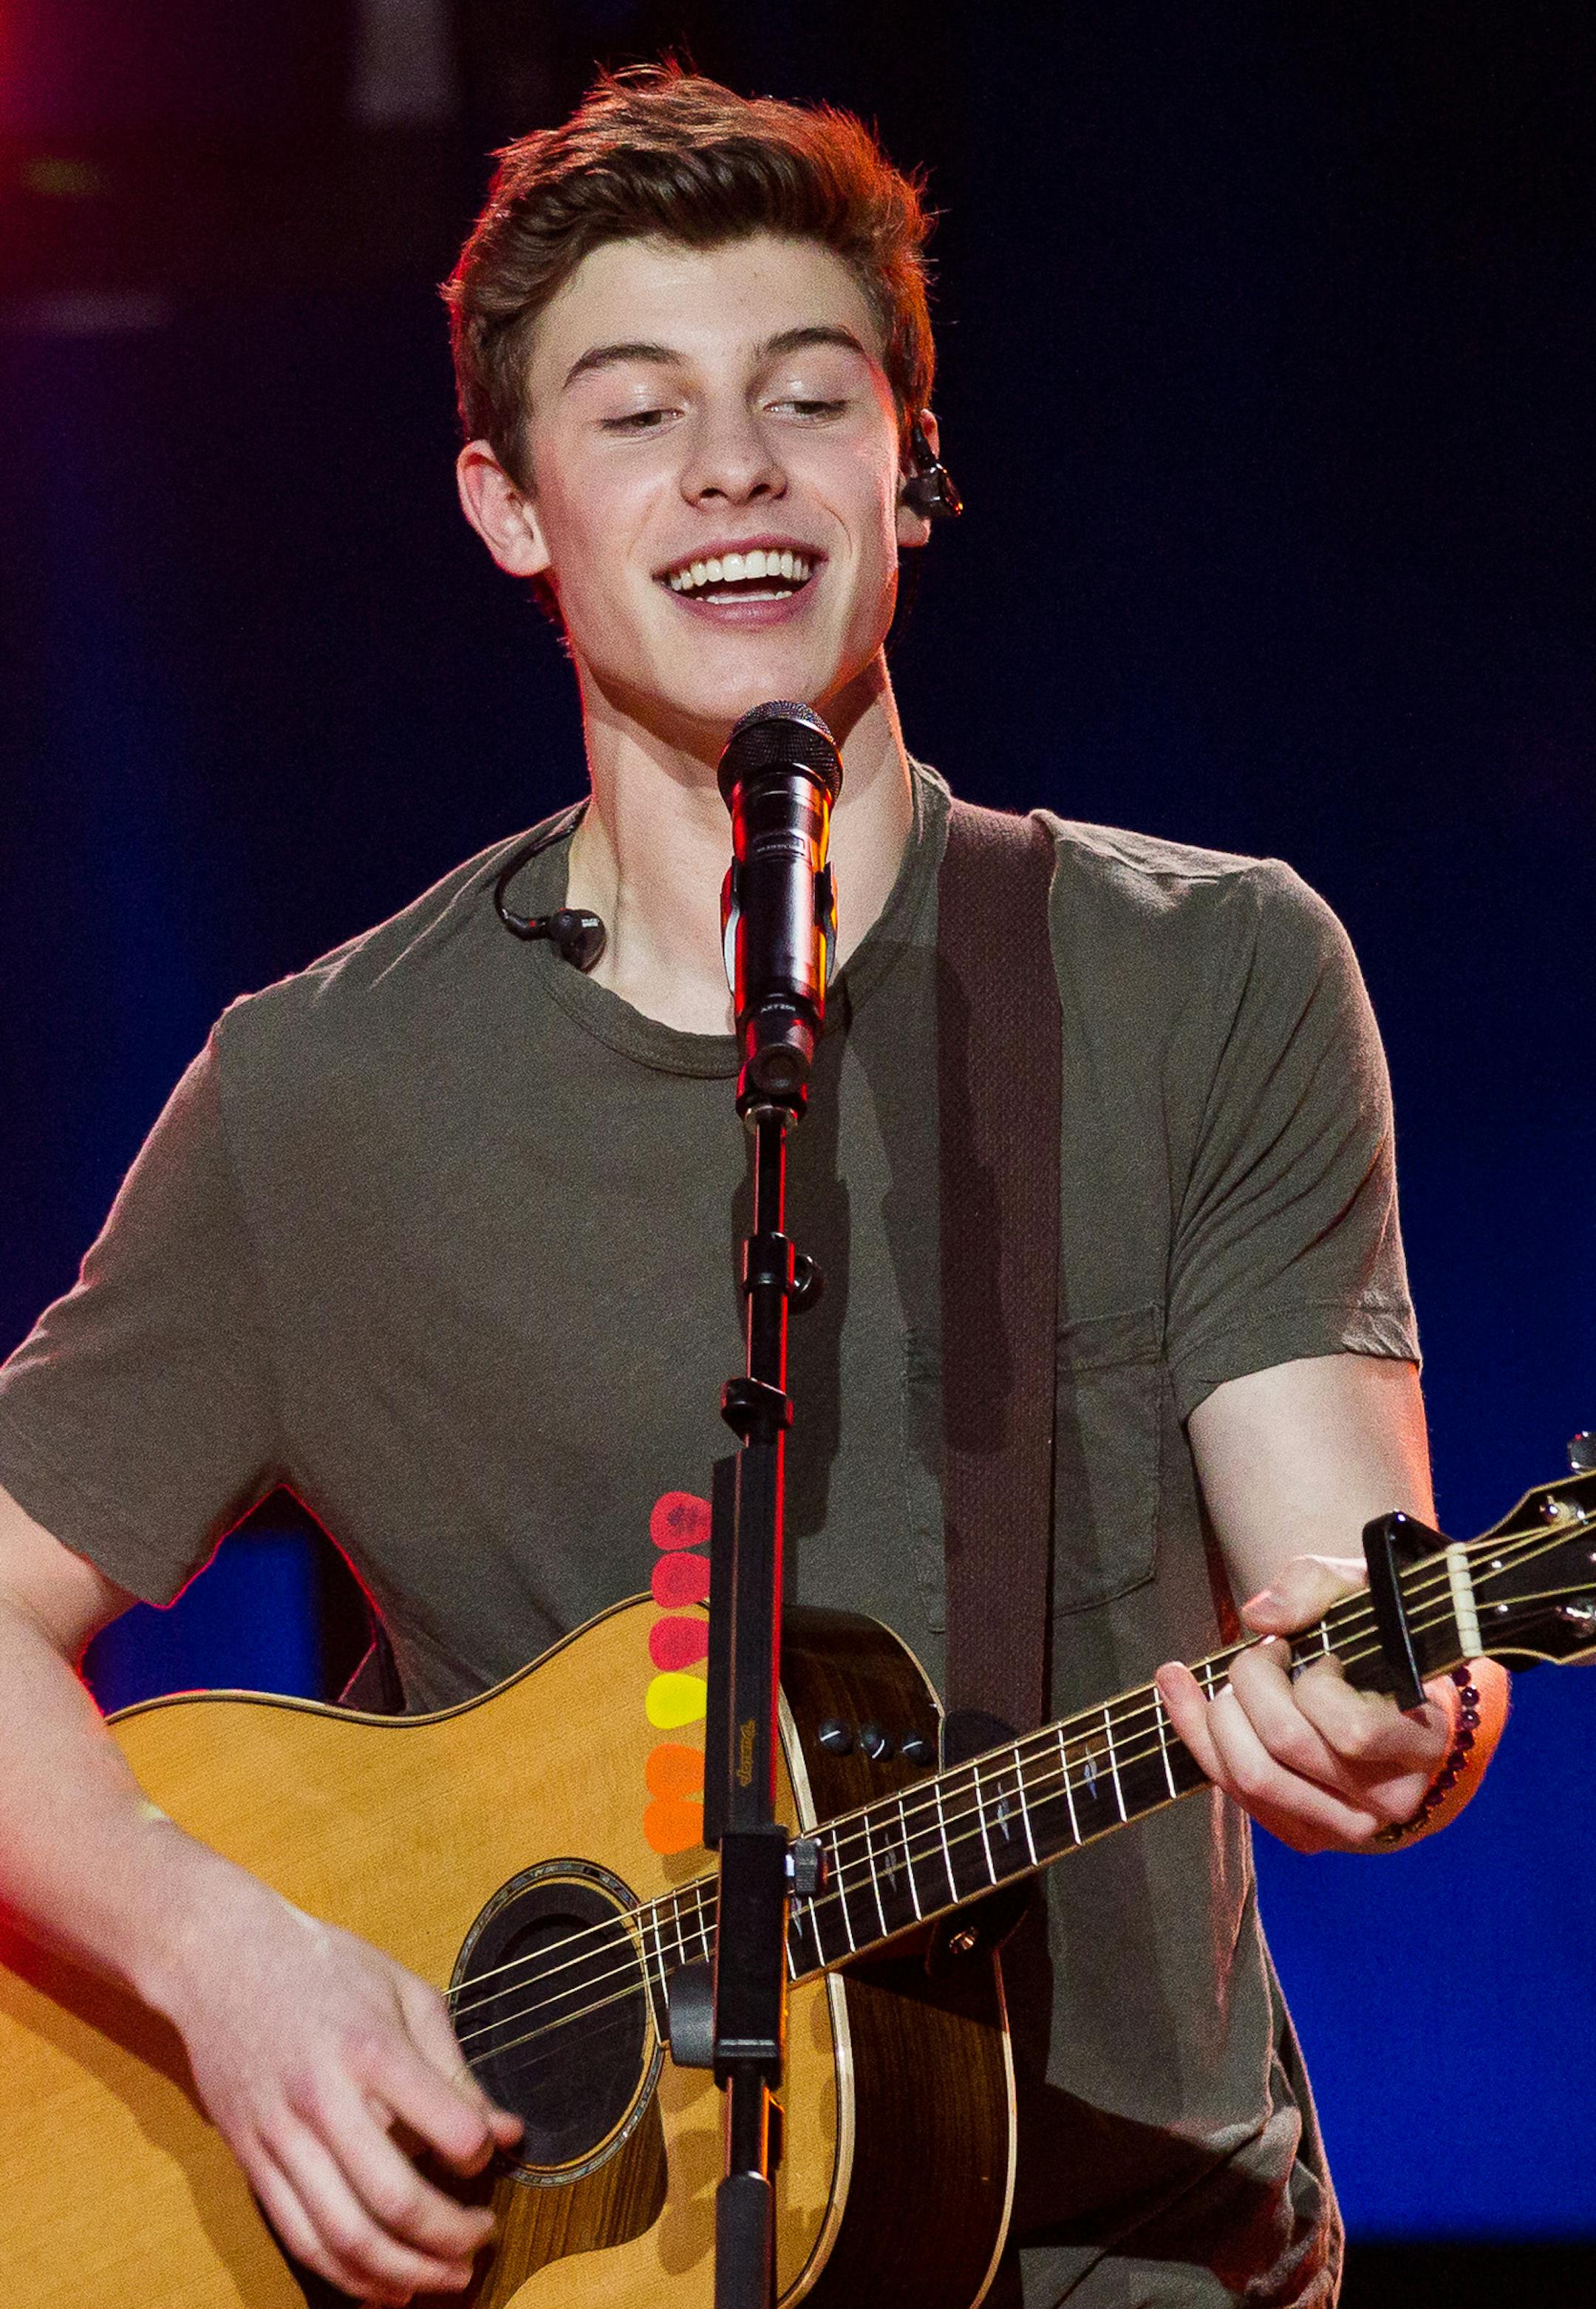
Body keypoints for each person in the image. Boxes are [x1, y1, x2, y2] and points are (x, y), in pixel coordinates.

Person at [0, 65, 1507, 2309]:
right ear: (508, 504)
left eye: (808, 398)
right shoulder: (321, 1095)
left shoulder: (1203, 977)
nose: (732, 469)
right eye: (636, 413)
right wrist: (233, 1961)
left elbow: (1334, 1582)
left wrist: (1388, 1706)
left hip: (1126, 2253)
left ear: (910, 469)